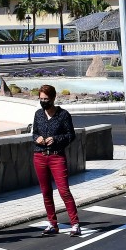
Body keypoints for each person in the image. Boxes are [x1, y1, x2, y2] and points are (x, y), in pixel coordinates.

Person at [32, 84, 80, 237]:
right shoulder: (38, 114)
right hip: (39, 156)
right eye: (41, 99)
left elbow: (70, 135)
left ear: (53, 98)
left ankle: (75, 223)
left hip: (56, 156)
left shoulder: (63, 115)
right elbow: (34, 134)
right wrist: (37, 139)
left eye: (46, 99)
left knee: (64, 190)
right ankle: (52, 223)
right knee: (46, 192)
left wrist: (56, 139)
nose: (43, 102)